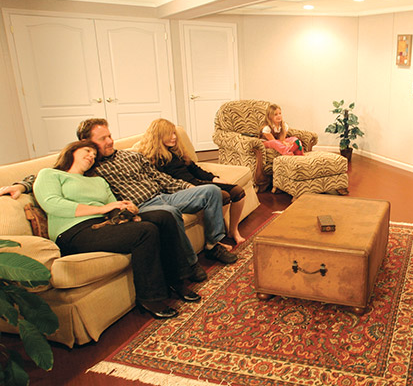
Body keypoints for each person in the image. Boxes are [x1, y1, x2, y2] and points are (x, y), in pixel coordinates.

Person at [2, 118, 238, 282]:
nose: (110, 141)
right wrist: (21, 184)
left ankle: (212, 245)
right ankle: (189, 263)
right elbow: (54, 171)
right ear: (88, 143)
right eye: (102, 139)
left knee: (211, 192)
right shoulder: (90, 165)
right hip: (144, 206)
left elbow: (160, 177)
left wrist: (191, 188)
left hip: (164, 195)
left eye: (110, 136)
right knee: (168, 212)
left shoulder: (131, 155)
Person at [33, 140, 201, 319]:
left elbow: (112, 205)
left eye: (94, 155)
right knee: (145, 231)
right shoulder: (50, 174)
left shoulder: (97, 180)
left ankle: (177, 280)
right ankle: (149, 298)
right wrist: (100, 209)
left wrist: (127, 211)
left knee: (164, 217)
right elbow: (53, 204)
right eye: (87, 151)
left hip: (105, 224)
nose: (91, 156)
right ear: (71, 151)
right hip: (73, 231)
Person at [136, 118, 246, 244]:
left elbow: (195, 169)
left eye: (174, 133)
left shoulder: (177, 151)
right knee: (223, 196)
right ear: (159, 136)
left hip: (197, 183)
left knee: (238, 191)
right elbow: (165, 183)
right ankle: (216, 240)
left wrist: (213, 178)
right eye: (169, 134)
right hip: (183, 190)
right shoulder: (154, 159)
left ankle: (233, 230)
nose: (174, 137)